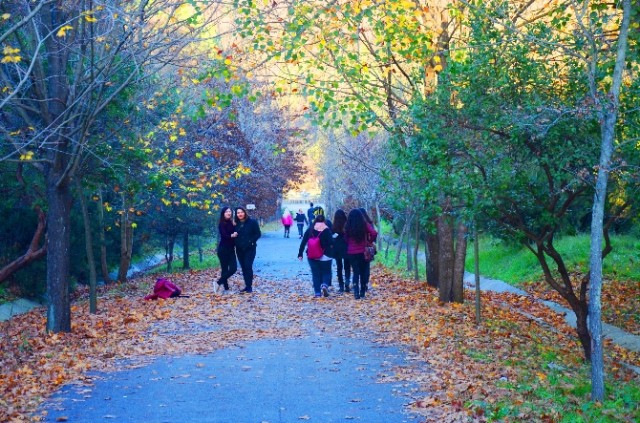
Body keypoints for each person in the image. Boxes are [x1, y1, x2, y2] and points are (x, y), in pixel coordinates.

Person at [345, 208, 377, 299]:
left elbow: (346, 239)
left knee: (356, 272)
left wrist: (350, 244)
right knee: (363, 272)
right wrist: (369, 241)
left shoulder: (348, 226)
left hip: (351, 252)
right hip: (363, 252)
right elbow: (374, 233)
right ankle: (362, 292)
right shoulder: (364, 225)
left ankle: (356, 293)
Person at [298, 214, 333, 297]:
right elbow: (331, 242)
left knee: (315, 274)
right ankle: (324, 285)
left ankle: (317, 292)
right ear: (324, 221)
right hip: (326, 255)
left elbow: (303, 242)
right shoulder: (327, 230)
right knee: (326, 271)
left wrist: (300, 254)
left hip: (312, 255)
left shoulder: (310, 229)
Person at [234, 206, 261, 293]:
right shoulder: (235, 224)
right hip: (239, 249)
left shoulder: (252, 222)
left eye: (241, 212)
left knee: (248, 266)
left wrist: (251, 241)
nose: (240, 214)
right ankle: (246, 285)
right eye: (238, 213)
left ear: (244, 213)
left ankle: (249, 287)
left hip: (250, 248)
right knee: (243, 267)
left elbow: (258, 234)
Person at [215, 207, 237, 293]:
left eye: (230, 211)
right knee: (224, 269)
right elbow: (224, 236)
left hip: (231, 249)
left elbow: (236, 231)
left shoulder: (232, 222)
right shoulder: (221, 223)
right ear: (223, 213)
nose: (229, 213)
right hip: (223, 249)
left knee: (233, 268)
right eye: (227, 211)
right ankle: (226, 289)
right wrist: (232, 235)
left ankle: (218, 283)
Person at [331, 209, 351, 293]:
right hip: (346, 247)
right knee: (347, 266)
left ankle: (341, 286)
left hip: (337, 249)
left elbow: (332, 237)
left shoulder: (334, 227)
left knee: (339, 267)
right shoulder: (347, 225)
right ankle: (347, 282)